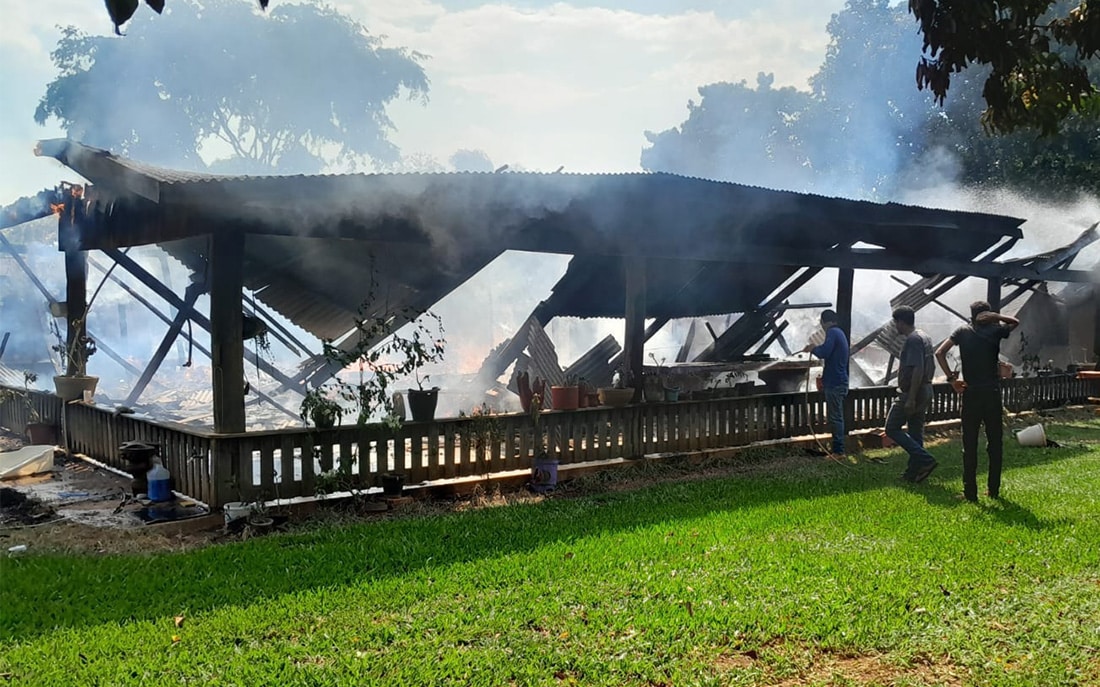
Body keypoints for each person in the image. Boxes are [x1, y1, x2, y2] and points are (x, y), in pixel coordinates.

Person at [935, 301, 1019, 502]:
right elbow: (1015, 321)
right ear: (987, 315)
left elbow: (939, 352)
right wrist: (997, 317)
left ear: (971, 315)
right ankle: (993, 490)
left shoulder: (962, 332)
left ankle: (970, 493)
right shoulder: (995, 331)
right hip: (991, 394)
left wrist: (952, 380)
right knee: (995, 443)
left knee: (969, 445)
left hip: (970, 394)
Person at [886, 306, 937, 482]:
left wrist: (911, 398)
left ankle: (926, 459)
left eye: (895, 323)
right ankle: (914, 472)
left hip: (914, 391)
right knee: (915, 432)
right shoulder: (924, 336)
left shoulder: (913, 340)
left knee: (891, 428)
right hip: (926, 389)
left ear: (901, 322)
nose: (895, 327)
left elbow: (918, 368)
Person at [803, 309, 850, 460]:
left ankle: (839, 452)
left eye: (821, 323)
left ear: (824, 322)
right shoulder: (840, 333)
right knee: (836, 416)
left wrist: (812, 348)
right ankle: (837, 448)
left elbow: (825, 352)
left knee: (836, 418)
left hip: (836, 382)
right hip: (838, 380)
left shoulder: (832, 332)